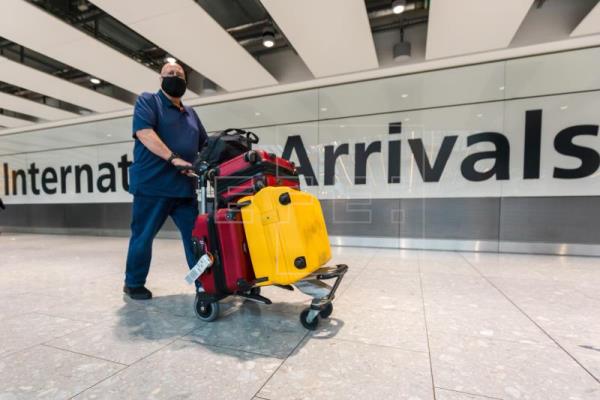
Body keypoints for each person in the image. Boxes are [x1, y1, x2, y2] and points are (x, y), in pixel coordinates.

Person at [124, 62, 207, 300]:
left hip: (183, 188)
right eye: (170, 74)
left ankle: (203, 284)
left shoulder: (190, 113)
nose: (175, 76)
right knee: (143, 236)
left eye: (179, 74)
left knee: (196, 238)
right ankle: (133, 283)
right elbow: (144, 133)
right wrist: (173, 158)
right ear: (160, 79)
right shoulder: (148, 101)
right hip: (152, 186)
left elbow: (205, 144)